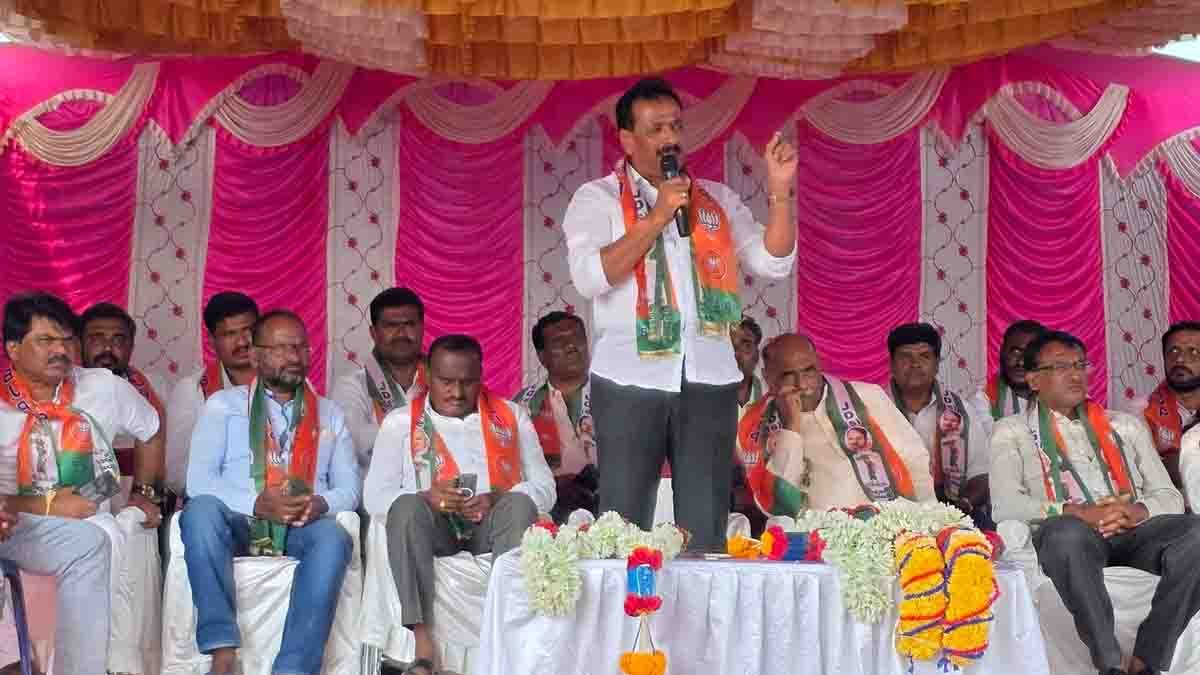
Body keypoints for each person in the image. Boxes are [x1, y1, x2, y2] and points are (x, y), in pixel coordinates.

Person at [562, 77, 798, 550]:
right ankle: (627, 624)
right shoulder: (597, 199)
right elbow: (591, 277)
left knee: (705, 528)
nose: (670, 138)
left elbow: (772, 261)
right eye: (656, 129)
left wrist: (779, 194)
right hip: (630, 380)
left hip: (708, 380)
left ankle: (695, 625)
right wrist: (655, 217)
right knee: (623, 529)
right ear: (627, 139)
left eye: (675, 126)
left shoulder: (713, 201)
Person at [989, 330, 1199, 675]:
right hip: (1073, 535)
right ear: (1033, 379)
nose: (1076, 374)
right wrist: (1074, 513)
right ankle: (1110, 663)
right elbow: (1007, 506)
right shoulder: (1011, 431)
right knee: (1065, 534)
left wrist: (1136, 511)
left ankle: (1149, 658)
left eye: (1080, 365)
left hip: (1134, 532)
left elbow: (1170, 497)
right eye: (1060, 367)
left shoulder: (1124, 425)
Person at [181, 310, 360, 675]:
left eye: (300, 348)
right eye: (280, 349)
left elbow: (351, 489)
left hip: (300, 522)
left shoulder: (330, 413)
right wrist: (256, 503)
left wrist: (321, 502)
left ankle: (294, 668)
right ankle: (221, 648)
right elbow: (198, 481)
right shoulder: (223, 406)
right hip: (238, 521)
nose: (294, 357)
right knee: (198, 512)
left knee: (334, 537)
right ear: (256, 356)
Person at [366, 335, 555, 675]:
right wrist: (428, 497)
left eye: (467, 382)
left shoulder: (513, 416)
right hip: (434, 529)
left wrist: (499, 497)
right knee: (405, 507)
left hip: (491, 527)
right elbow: (374, 496)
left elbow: (546, 487)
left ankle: (508, 638)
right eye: (446, 381)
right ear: (427, 374)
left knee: (520, 505)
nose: (456, 392)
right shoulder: (399, 422)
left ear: (481, 376)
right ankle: (422, 644)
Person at [0, 292, 162, 675]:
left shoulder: (101, 387)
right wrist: (50, 506)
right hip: (15, 519)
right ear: (13, 349)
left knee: (93, 537)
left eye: (66, 340)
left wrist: (143, 492)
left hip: (68, 517)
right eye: (45, 341)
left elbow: (151, 430)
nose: (61, 351)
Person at [735, 333, 934, 515]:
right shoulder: (753, 424)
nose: (802, 384)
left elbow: (914, 459)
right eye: (788, 376)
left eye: (808, 371)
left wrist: (928, 515)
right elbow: (775, 505)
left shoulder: (867, 397)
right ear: (768, 376)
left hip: (885, 530)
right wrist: (791, 427)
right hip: (809, 545)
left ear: (819, 365)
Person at [78, 301, 167, 674]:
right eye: (96, 338)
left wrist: (143, 493)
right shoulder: (77, 385)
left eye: (117, 340)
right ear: (78, 344)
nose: (107, 348)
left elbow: (154, 433)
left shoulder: (141, 389)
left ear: (130, 346)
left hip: (109, 511)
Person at [887, 322, 991, 526]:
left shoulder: (961, 411)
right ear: (891, 364)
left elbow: (981, 475)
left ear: (936, 364)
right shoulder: (873, 407)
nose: (915, 364)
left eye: (924, 356)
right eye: (905, 357)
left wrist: (962, 506)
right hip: (889, 513)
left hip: (950, 511)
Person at [165, 292, 258, 498]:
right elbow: (175, 473)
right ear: (212, 340)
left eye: (248, 331)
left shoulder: (287, 384)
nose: (243, 342)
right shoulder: (193, 390)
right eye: (230, 334)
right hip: (214, 505)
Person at [332, 287, 427, 474]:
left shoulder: (445, 381)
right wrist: (430, 433)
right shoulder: (352, 386)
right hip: (376, 499)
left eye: (409, 324)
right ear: (373, 333)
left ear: (422, 328)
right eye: (391, 325)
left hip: (439, 493)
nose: (401, 333)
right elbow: (356, 444)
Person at [514, 311, 597, 522]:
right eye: (560, 341)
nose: (572, 346)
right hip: (547, 508)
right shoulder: (523, 403)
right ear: (542, 356)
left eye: (577, 337)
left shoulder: (612, 395)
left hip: (607, 500)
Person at [1126, 322, 1200, 491]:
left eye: (1193, 351)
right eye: (1173, 351)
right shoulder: (1141, 411)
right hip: (1168, 509)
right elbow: (1138, 473)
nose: (1180, 359)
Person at [971, 320, 1046, 437]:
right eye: (1015, 352)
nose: (1021, 362)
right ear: (1002, 353)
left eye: (1030, 355)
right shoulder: (983, 400)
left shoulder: (1060, 399)